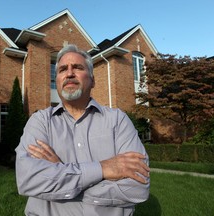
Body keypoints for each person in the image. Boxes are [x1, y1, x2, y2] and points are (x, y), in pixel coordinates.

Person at [15, 44, 150, 216]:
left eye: (78, 67)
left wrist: (63, 173)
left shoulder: (118, 120)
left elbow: (138, 187)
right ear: (57, 81)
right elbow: (29, 180)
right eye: (62, 69)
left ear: (93, 80)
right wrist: (102, 170)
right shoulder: (40, 121)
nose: (69, 73)